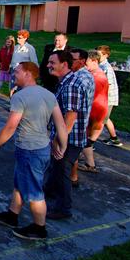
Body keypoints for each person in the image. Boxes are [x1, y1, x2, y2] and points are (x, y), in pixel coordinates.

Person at [0, 62, 68, 240]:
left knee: (34, 192)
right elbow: (61, 124)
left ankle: (39, 228)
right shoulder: (48, 94)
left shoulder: (19, 97)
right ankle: (12, 215)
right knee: (20, 183)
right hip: (42, 148)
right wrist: (63, 146)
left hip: (30, 151)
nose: (13, 74)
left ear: (28, 74)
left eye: (17, 71)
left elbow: (10, 127)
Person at [43, 50, 92, 220]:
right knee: (56, 166)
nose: (48, 65)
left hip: (69, 139)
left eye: (52, 63)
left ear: (64, 64)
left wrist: (59, 140)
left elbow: (70, 117)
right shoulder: (66, 82)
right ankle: (48, 190)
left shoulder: (71, 85)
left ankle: (63, 209)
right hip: (67, 137)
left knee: (62, 170)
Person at [75, 50, 109, 175]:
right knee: (85, 137)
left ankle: (90, 164)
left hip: (94, 110)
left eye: (87, 62)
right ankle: (88, 162)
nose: (85, 65)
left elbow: (91, 96)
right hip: (98, 109)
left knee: (83, 136)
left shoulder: (96, 77)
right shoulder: (97, 74)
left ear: (94, 61)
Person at [68, 48, 96, 187]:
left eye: (72, 60)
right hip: (79, 122)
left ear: (82, 61)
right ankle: (73, 177)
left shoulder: (79, 79)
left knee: (69, 153)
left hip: (75, 123)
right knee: (72, 153)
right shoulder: (83, 75)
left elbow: (72, 109)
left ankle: (71, 179)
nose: (68, 62)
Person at [97, 45, 122, 147]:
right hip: (103, 98)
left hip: (108, 99)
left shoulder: (106, 68)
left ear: (106, 55)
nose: (97, 57)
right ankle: (114, 139)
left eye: (99, 55)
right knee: (106, 119)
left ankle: (90, 143)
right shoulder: (99, 65)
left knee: (100, 121)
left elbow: (108, 85)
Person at [9, 30, 38, 96]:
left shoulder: (30, 48)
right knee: (12, 89)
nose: (17, 39)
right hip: (14, 71)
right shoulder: (16, 47)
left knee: (21, 91)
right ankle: (12, 101)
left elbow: (34, 62)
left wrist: (34, 74)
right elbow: (13, 59)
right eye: (17, 37)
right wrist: (10, 67)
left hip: (23, 73)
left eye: (19, 38)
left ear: (25, 38)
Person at [0, 35, 15, 101]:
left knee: (10, 86)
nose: (8, 43)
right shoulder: (2, 49)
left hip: (10, 70)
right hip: (3, 69)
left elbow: (15, 60)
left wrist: (10, 67)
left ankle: (11, 99)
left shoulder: (14, 50)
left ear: (12, 43)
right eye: (7, 42)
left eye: (9, 42)